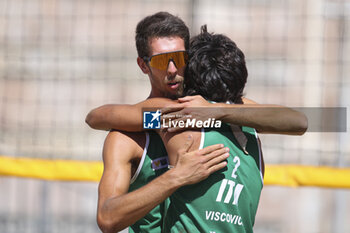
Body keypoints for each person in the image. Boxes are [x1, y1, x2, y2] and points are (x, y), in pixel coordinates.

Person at [86, 12, 307, 233]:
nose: (172, 69)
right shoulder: (152, 124)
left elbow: (299, 121)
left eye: (179, 58)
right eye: (162, 61)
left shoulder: (226, 112)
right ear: (144, 66)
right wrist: (175, 177)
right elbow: (107, 218)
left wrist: (216, 111)